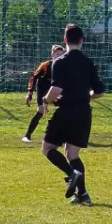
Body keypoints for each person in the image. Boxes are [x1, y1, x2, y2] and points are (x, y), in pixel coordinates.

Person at [41, 24, 104, 206]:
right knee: (73, 154)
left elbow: (56, 89)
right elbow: (99, 92)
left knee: (48, 148)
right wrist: (83, 97)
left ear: (65, 40)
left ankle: (71, 174)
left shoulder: (60, 61)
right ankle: (83, 195)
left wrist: (45, 101)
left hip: (65, 111)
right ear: (82, 40)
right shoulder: (88, 62)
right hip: (84, 112)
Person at [22, 44, 66, 143]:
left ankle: (63, 135)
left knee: (64, 110)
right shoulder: (46, 65)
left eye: (61, 54)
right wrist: (30, 93)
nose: (59, 56)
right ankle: (27, 136)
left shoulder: (64, 67)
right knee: (41, 111)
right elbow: (34, 77)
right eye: (57, 54)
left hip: (54, 91)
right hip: (43, 90)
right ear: (52, 54)